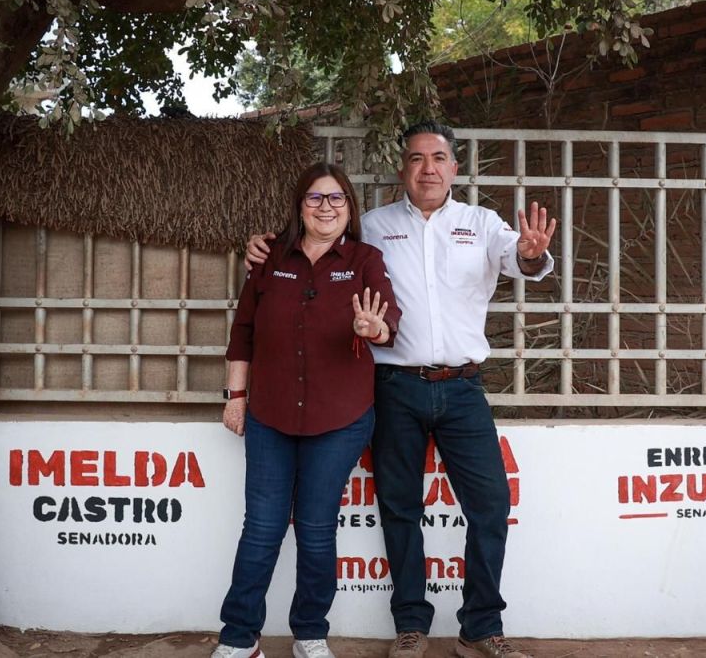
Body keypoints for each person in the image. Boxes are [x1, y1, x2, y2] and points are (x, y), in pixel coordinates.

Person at [247, 122, 556, 658]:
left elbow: (521, 259)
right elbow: (317, 244)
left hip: (462, 388)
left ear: (454, 167)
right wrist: (264, 247)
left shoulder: (482, 223)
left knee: (490, 505)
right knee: (399, 508)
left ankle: (481, 627)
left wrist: (531, 253)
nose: (428, 168)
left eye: (438, 158)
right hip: (394, 387)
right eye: (416, 158)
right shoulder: (373, 226)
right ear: (402, 169)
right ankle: (410, 625)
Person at [214, 162, 401, 658]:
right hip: (270, 414)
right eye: (315, 197)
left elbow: (389, 322)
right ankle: (238, 638)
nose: (326, 207)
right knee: (261, 528)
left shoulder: (365, 259)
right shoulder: (270, 257)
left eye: (336, 198)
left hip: (340, 418)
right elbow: (243, 332)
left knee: (317, 530)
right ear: (300, 206)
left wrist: (372, 329)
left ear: (349, 207)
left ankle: (310, 634)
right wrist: (236, 397)